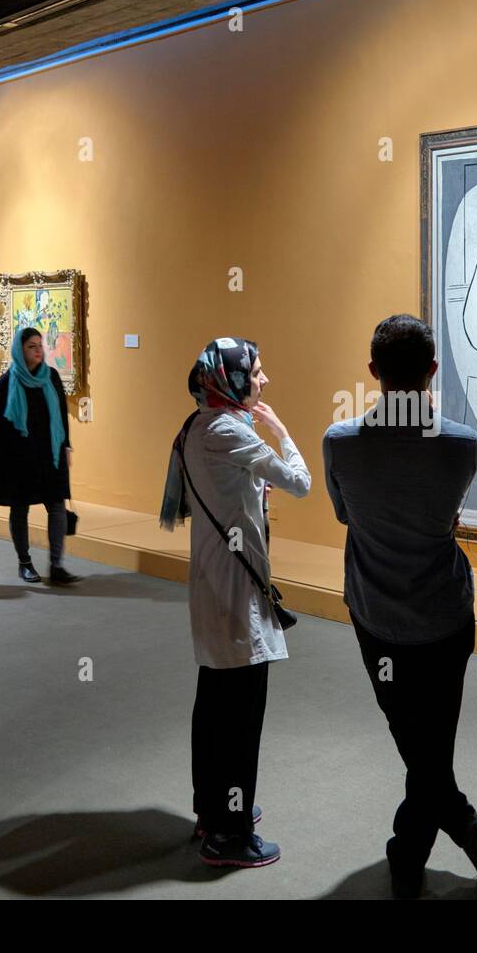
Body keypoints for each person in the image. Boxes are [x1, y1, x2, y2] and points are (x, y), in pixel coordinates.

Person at [322, 313, 477, 899]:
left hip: (377, 621)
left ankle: (412, 850)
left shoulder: (339, 445)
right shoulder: (463, 446)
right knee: (434, 742)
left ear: (373, 371)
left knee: (414, 740)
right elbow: (442, 515)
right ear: (433, 370)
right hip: (446, 619)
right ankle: (453, 833)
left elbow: (346, 515)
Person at [160, 337, 310, 868]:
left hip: (214, 580)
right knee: (241, 717)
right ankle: (232, 834)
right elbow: (301, 482)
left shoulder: (199, 426)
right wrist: (284, 433)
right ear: (231, 377)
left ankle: (213, 810)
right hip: (235, 591)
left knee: (216, 704)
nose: (264, 380)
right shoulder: (229, 431)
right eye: (258, 371)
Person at [0, 327, 79, 585]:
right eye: (32, 346)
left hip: (50, 456)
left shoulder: (51, 377)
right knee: (20, 509)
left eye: (40, 346)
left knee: (56, 507)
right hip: (19, 458)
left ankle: (56, 565)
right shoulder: (8, 382)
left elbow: (61, 415)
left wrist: (66, 445)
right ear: (20, 351)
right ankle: (25, 563)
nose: (38, 351)